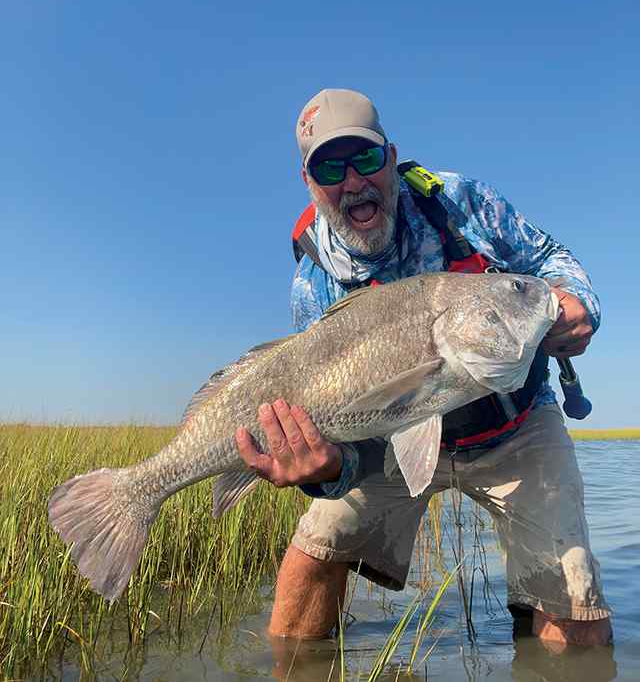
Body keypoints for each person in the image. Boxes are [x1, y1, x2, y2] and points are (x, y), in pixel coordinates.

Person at [234, 88, 612, 649]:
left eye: (365, 158)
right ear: (309, 182)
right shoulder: (313, 283)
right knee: (312, 559)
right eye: (330, 168)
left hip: (518, 428)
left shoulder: (459, 201)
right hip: (393, 442)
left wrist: (577, 301)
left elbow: (548, 260)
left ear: (390, 157)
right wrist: (326, 470)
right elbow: (346, 437)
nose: (353, 181)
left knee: (575, 612)